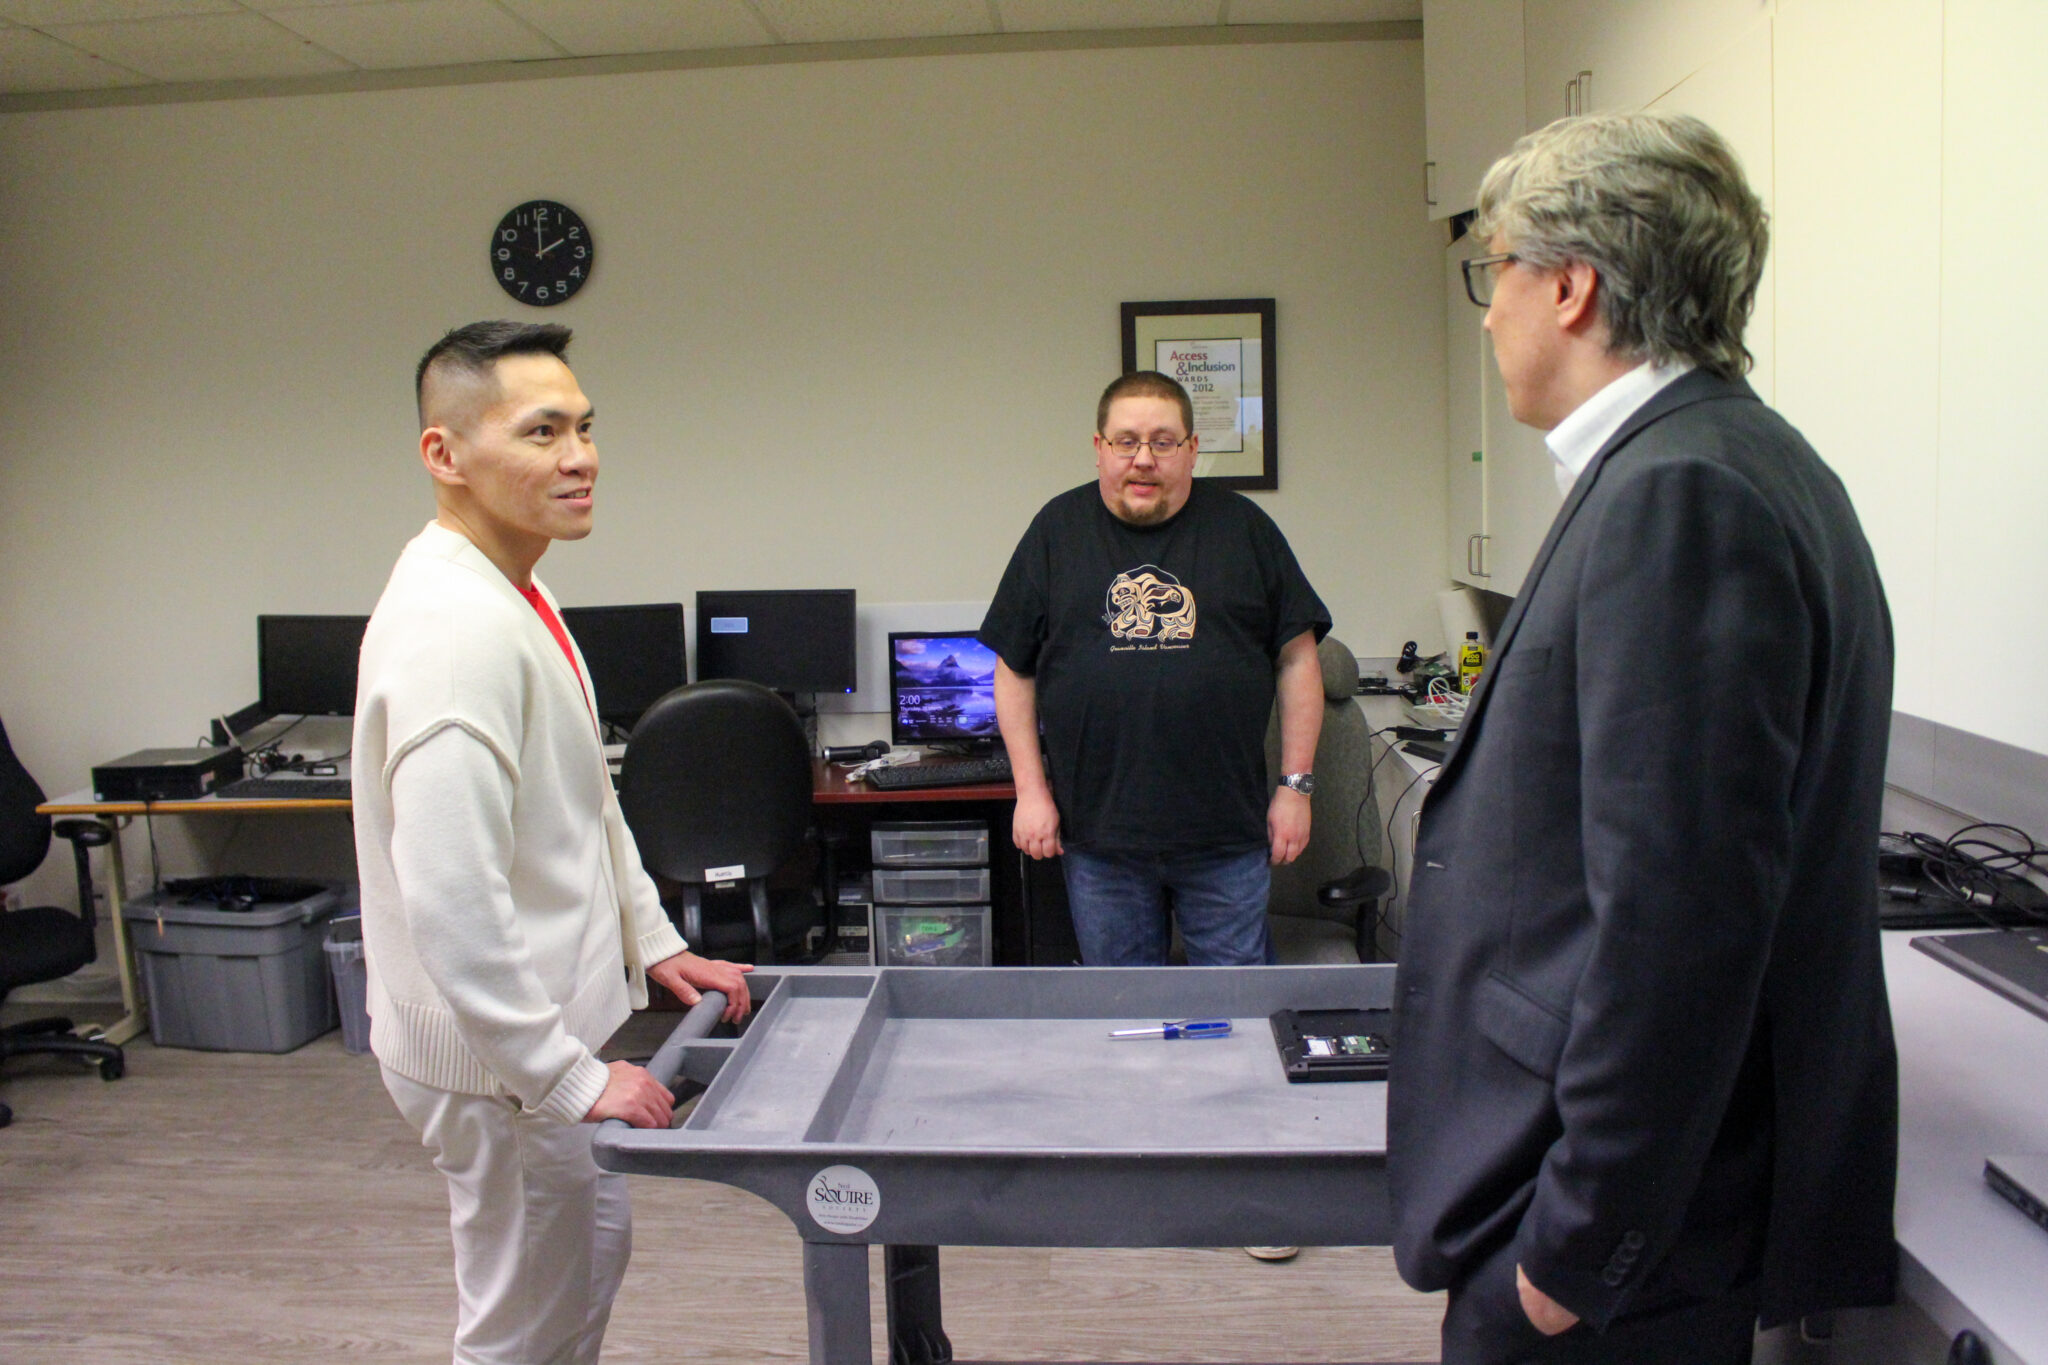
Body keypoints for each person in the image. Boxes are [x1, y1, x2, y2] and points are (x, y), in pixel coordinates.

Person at [1386, 111, 1898, 1365]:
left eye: (1490, 269)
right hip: (1629, 1211)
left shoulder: (1682, 494)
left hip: (1616, 1246)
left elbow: (1683, 921)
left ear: (1566, 286)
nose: (1485, 309)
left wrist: (1573, 1253)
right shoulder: (1723, 461)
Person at [354, 320, 752, 1365]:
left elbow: (586, 801)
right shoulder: (457, 637)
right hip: (500, 1068)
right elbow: (451, 903)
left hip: (535, 1050)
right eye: (540, 432)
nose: (579, 458)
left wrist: (656, 944)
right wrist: (568, 1079)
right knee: (520, 1324)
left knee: (580, 1269)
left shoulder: (518, 592)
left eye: (583, 427)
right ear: (445, 455)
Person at [978, 370, 1331, 967]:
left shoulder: (1245, 530)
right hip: (1100, 840)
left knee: (1237, 1016)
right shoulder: (1056, 531)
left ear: (1192, 450)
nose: (1143, 458)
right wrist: (1030, 792)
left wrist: (1295, 788)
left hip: (1224, 836)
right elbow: (1015, 668)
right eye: (1126, 441)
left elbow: (1298, 658)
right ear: (1099, 448)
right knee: (1125, 1018)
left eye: (1163, 442)